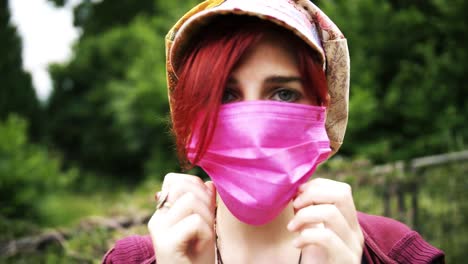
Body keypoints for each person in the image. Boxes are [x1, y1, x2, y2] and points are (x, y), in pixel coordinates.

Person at [103, 0, 445, 263]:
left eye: (284, 93)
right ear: (188, 117)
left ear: (322, 109)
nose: (254, 131)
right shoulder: (132, 259)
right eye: (225, 95)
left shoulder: (396, 252)